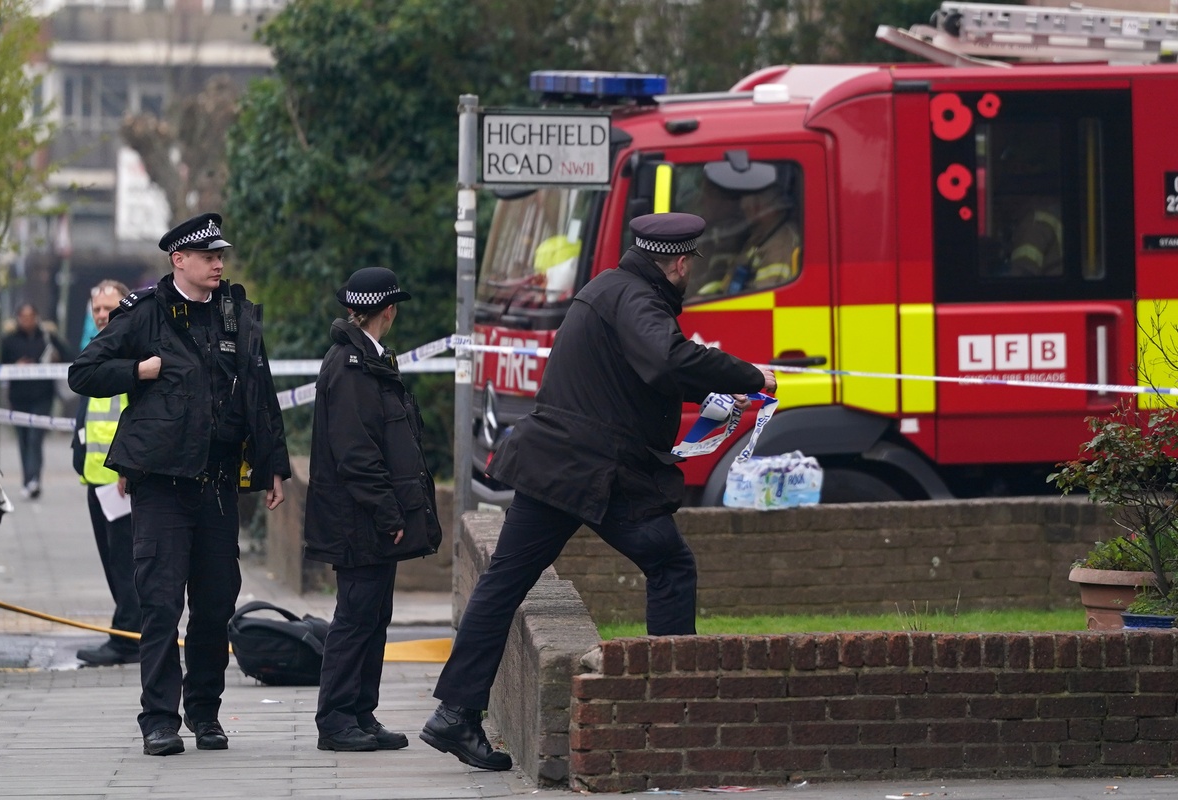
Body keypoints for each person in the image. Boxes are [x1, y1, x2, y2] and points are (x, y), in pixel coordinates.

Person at [420, 212, 777, 770]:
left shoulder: (606, 289)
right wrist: (752, 377)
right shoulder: (638, 299)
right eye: (690, 263)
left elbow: (641, 377)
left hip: (558, 466)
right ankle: (672, 711)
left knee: (503, 583)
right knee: (670, 564)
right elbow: (666, 359)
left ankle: (455, 714)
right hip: (595, 474)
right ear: (680, 261)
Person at [68, 212, 291, 757]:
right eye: (209, 256)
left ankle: (205, 713)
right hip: (162, 484)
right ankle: (159, 720)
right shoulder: (144, 314)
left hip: (216, 483)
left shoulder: (234, 314)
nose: (219, 263)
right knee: (162, 602)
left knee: (216, 603)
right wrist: (138, 372)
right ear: (179, 260)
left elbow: (260, 391)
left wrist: (273, 466)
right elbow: (84, 372)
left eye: (222, 256)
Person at [303, 266, 442, 752]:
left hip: (368, 517)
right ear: (390, 309)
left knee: (373, 616)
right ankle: (337, 720)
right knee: (356, 617)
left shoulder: (370, 360)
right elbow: (356, 453)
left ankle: (361, 713)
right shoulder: (351, 366)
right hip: (357, 520)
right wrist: (389, 513)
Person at [71, 280, 141, 668]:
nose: (102, 315)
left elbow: (137, 414)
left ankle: (127, 638)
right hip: (97, 478)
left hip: (121, 480)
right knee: (112, 561)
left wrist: (129, 467)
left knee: (125, 562)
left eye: (109, 308)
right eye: (96, 309)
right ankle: (130, 632)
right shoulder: (99, 349)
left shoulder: (130, 351)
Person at [1, 303, 71, 499]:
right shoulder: (9, 341)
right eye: (23, 316)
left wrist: (57, 357)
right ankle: (27, 479)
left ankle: (34, 479)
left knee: (35, 438)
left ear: (37, 317)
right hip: (19, 399)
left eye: (31, 316)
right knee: (23, 440)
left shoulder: (47, 337)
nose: (27, 320)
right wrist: (15, 365)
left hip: (42, 397)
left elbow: (70, 356)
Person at [696, 183, 801, 297]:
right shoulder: (760, 236)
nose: (746, 214)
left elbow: (762, 298)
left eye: (751, 209)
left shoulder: (780, 247)